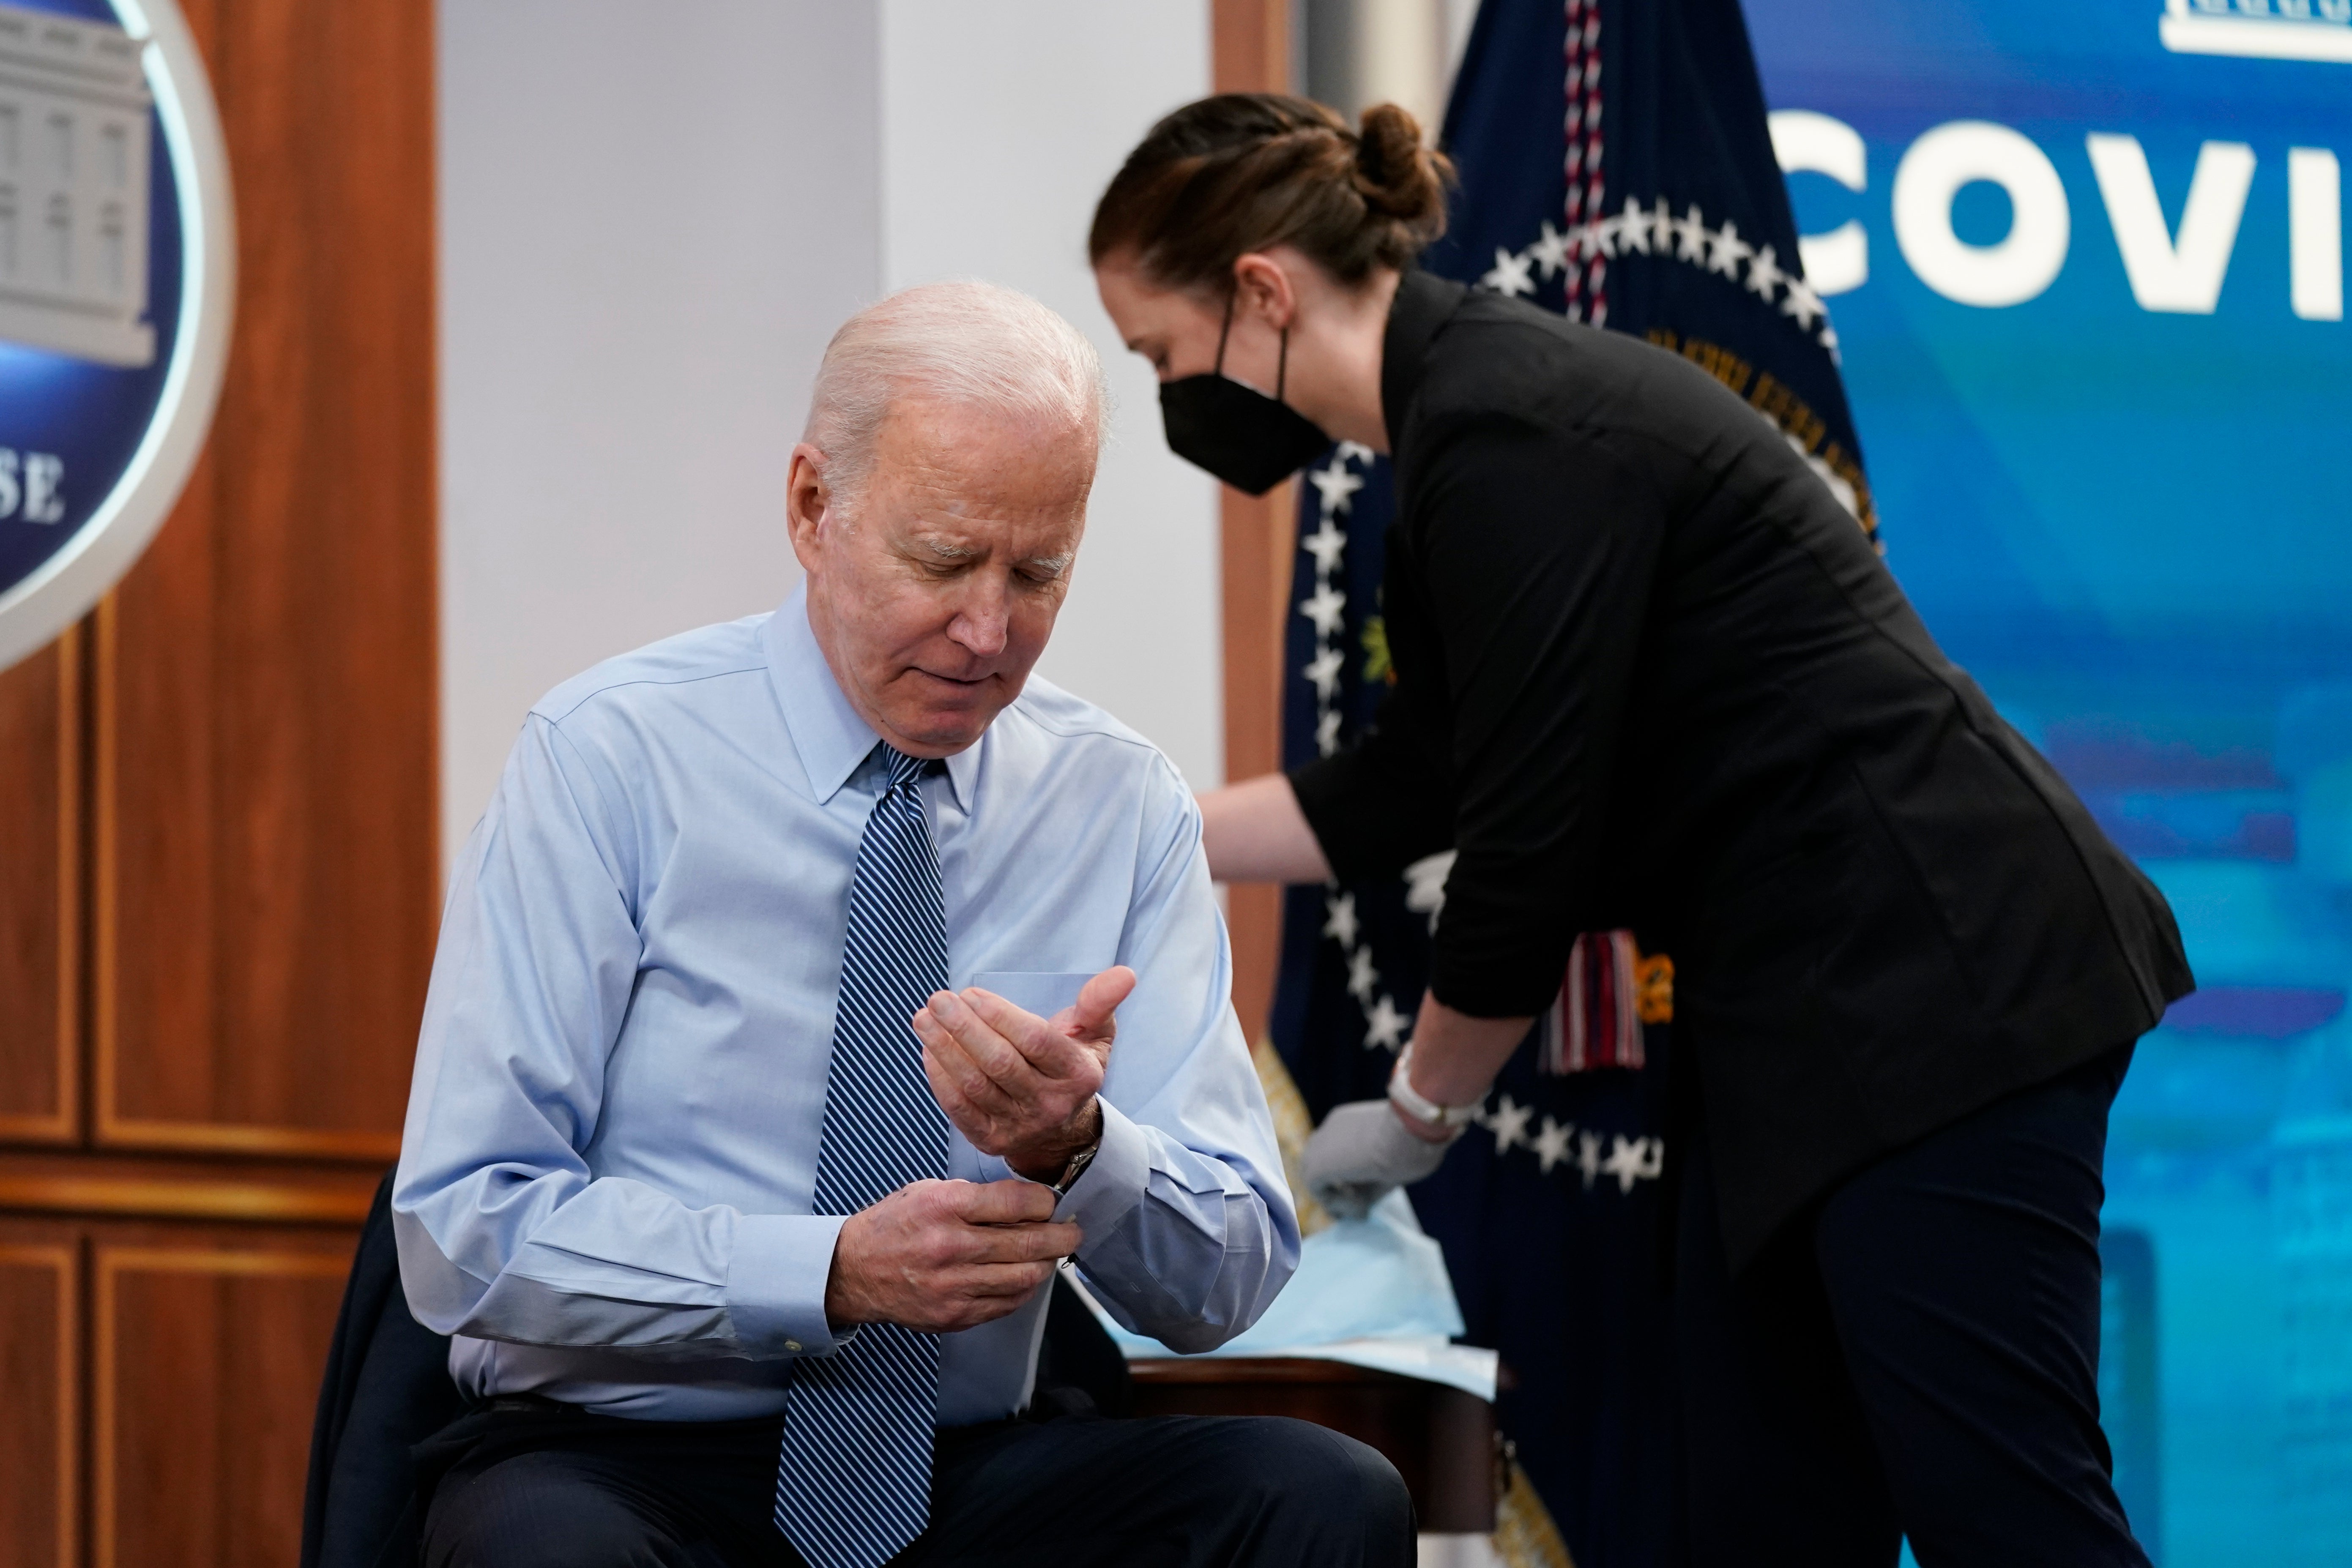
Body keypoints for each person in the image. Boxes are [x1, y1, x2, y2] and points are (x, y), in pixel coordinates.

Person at [1089, 95, 2193, 1567]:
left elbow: (1526, 848)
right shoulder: (1461, 438)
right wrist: (1140, 828)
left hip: (1942, 979)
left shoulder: (1509, 429)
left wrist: (1417, 1112)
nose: (1174, 393)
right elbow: (1421, 782)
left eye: (1163, 352)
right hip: (1805, 1009)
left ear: (1262, 292)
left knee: (2001, 1504)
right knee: (1758, 1505)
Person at [393, 281, 1413, 1568]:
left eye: (1039, 574)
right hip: (626, 1462)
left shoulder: (1118, 806)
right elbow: (462, 1227)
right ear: (813, 509)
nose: (989, 632)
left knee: (1321, 1497)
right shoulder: (609, 762)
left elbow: (1229, 1276)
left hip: (967, 1463)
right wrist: (825, 1271)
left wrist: (1077, 1148)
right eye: (941, 562)